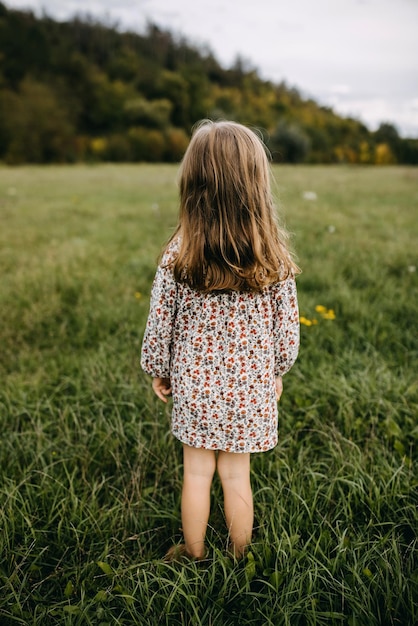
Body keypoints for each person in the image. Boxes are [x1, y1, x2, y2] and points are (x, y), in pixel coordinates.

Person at [141, 120, 300, 561]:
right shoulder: (272, 255)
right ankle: (239, 556)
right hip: (249, 386)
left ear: (193, 184)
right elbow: (286, 328)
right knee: (236, 476)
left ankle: (193, 554)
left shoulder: (180, 252)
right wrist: (276, 371)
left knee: (196, 473)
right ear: (256, 185)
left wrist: (159, 368)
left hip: (196, 385)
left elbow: (160, 323)